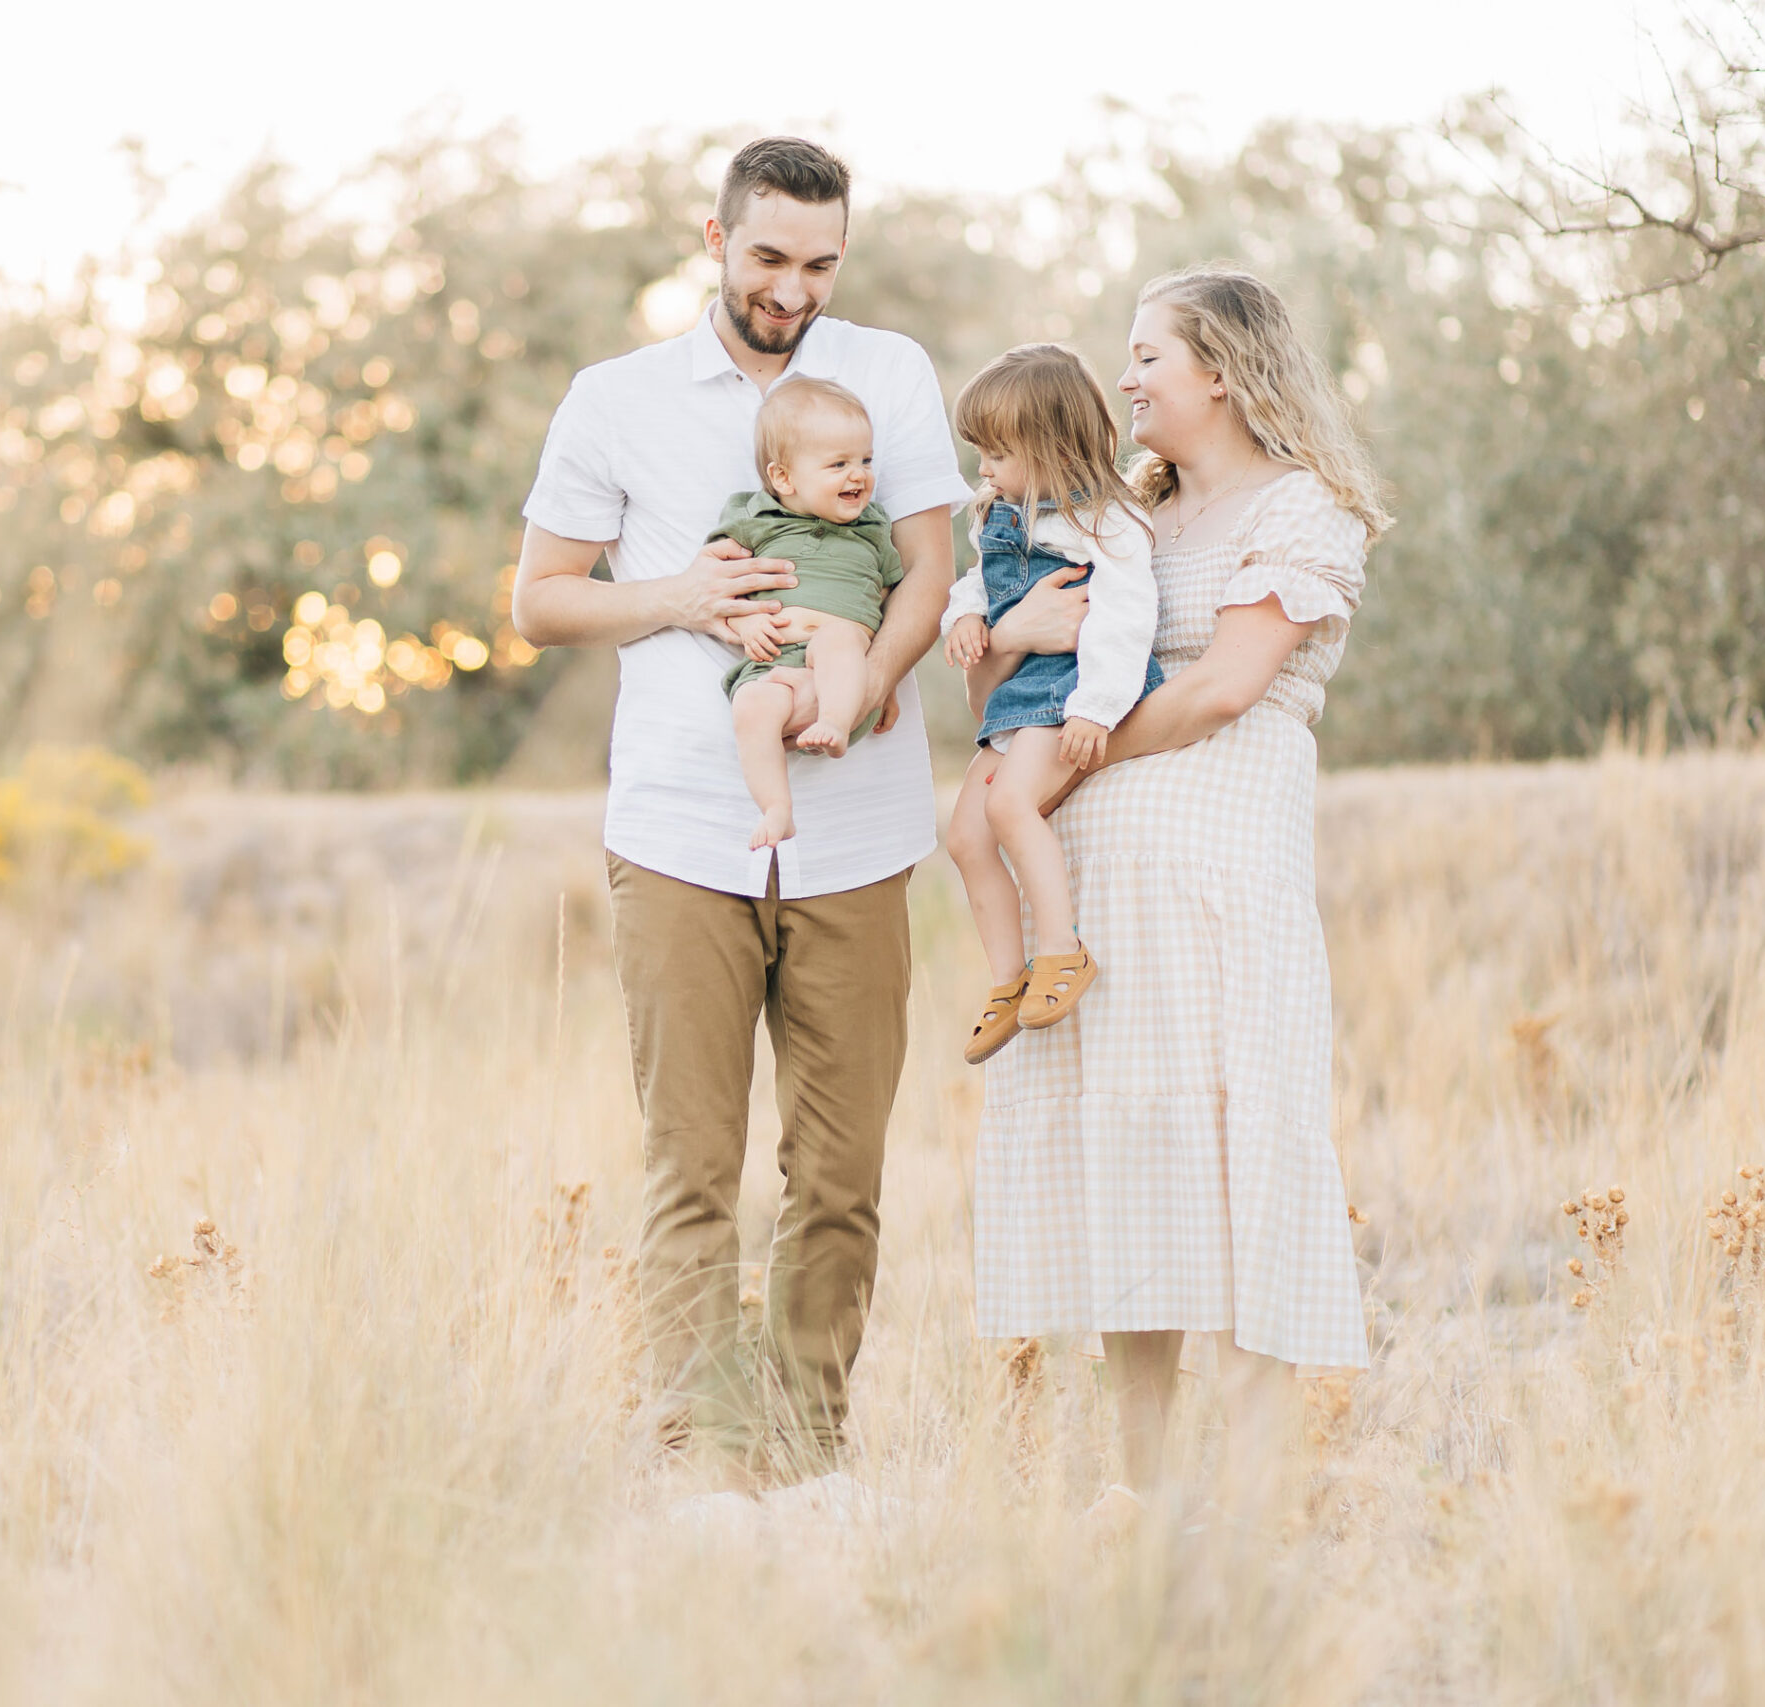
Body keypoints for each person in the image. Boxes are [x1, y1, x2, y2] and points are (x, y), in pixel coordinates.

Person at [509, 137, 971, 1482]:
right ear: (712, 241)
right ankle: (699, 1450)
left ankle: (808, 1446)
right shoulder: (617, 397)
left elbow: (929, 569)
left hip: (862, 832)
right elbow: (539, 598)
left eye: (821, 263)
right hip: (677, 832)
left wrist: (871, 682)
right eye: (769, 257)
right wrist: (676, 597)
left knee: (839, 1173)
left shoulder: (890, 373)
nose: (794, 288)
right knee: (689, 1170)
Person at [968, 267, 1391, 1519]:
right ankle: (1141, 1490)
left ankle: (1252, 1485)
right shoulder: (1119, 514)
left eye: (1148, 353)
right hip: (1096, 869)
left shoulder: (1303, 512)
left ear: (1221, 369)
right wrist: (1017, 647)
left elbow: (1219, 691)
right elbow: (1012, 650)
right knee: (1126, 1143)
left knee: (1234, 1125)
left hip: (1219, 859)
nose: (1126, 377)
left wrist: (1065, 763)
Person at [935, 345, 1161, 1064]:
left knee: (1009, 809)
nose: (985, 468)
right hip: (1013, 699)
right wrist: (965, 619)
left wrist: (1096, 706)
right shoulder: (997, 514)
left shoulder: (1107, 525)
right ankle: (1008, 977)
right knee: (965, 835)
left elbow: (1125, 619)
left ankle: (1063, 952)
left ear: (1050, 446)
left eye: (998, 453)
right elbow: (979, 583)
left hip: (1069, 690)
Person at [714, 376, 907, 849]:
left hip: (842, 666)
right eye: (838, 464)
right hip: (772, 661)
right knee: (751, 707)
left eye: (865, 460)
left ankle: (836, 724)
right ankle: (777, 807)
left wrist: (887, 682)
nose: (858, 475)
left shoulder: (873, 528)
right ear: (783, 477)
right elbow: (716, 588)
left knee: (837, 638)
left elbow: (887, 598)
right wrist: (745, 621)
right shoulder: (754, 518)